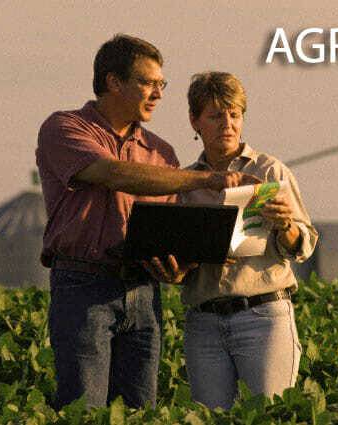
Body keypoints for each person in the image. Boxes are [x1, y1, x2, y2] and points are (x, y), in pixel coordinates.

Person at [35, 35, 257, 410]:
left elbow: (168, 228)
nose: (158, 93)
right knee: (84, 410)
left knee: (140, 410)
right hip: (83, 286)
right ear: (113, 82)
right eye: (148, 83)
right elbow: (113, 174)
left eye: (161, 85)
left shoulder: (162, 151)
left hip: (143, 290)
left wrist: (178, 265)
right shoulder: (64, 127)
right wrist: (207, 179)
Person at [169, 71, 318, 410]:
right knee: (209, 416)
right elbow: (175, 259)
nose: (228, 123)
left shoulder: (270, 171)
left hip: (262, 316)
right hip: (204, 320)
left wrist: (285, 226)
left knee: (267, 414)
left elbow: (304, 243)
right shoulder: (185, 182)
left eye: (234, 114)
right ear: (195, 121)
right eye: (216, 115)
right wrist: (194, 256)